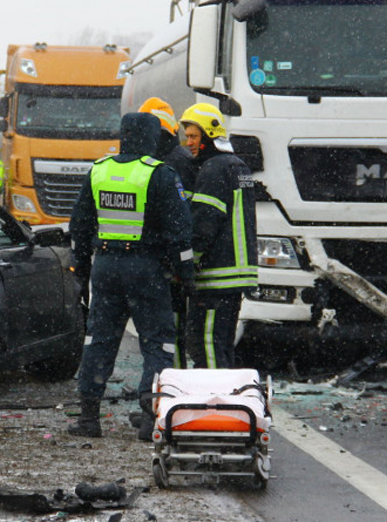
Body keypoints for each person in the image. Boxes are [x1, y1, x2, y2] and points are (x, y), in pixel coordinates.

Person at [67, 112, 194, 439]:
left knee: (99, 339)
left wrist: (81, 266)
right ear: (153, 138)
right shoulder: (160, 174)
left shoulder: (99, 170)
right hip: (146, 269)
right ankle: (151, 419)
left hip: (106, 266)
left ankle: (89, 418)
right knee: (157, 343)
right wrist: (185, 274)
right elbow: (180, 232)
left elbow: (80, 225)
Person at [180, 102, 258, 370]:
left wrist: (188, 262)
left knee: (206, 344)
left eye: (193, 136)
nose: (188, 142)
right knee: (222, 345)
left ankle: (214, 403)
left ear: (209, 135)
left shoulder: (213, 169)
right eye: (187, 136)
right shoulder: (238, 166)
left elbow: (204, 223)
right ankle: (226, 400)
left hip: (218, 277)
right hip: (236, 275)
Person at [138, 97, 197, 370]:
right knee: (171, 326)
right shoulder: (177, 159)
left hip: (169, 260)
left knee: (169, 328)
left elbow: (178, 220)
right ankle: (170, 380)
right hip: (171, 259)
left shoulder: (171, 165)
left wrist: (178, 264)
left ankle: (171, 381)